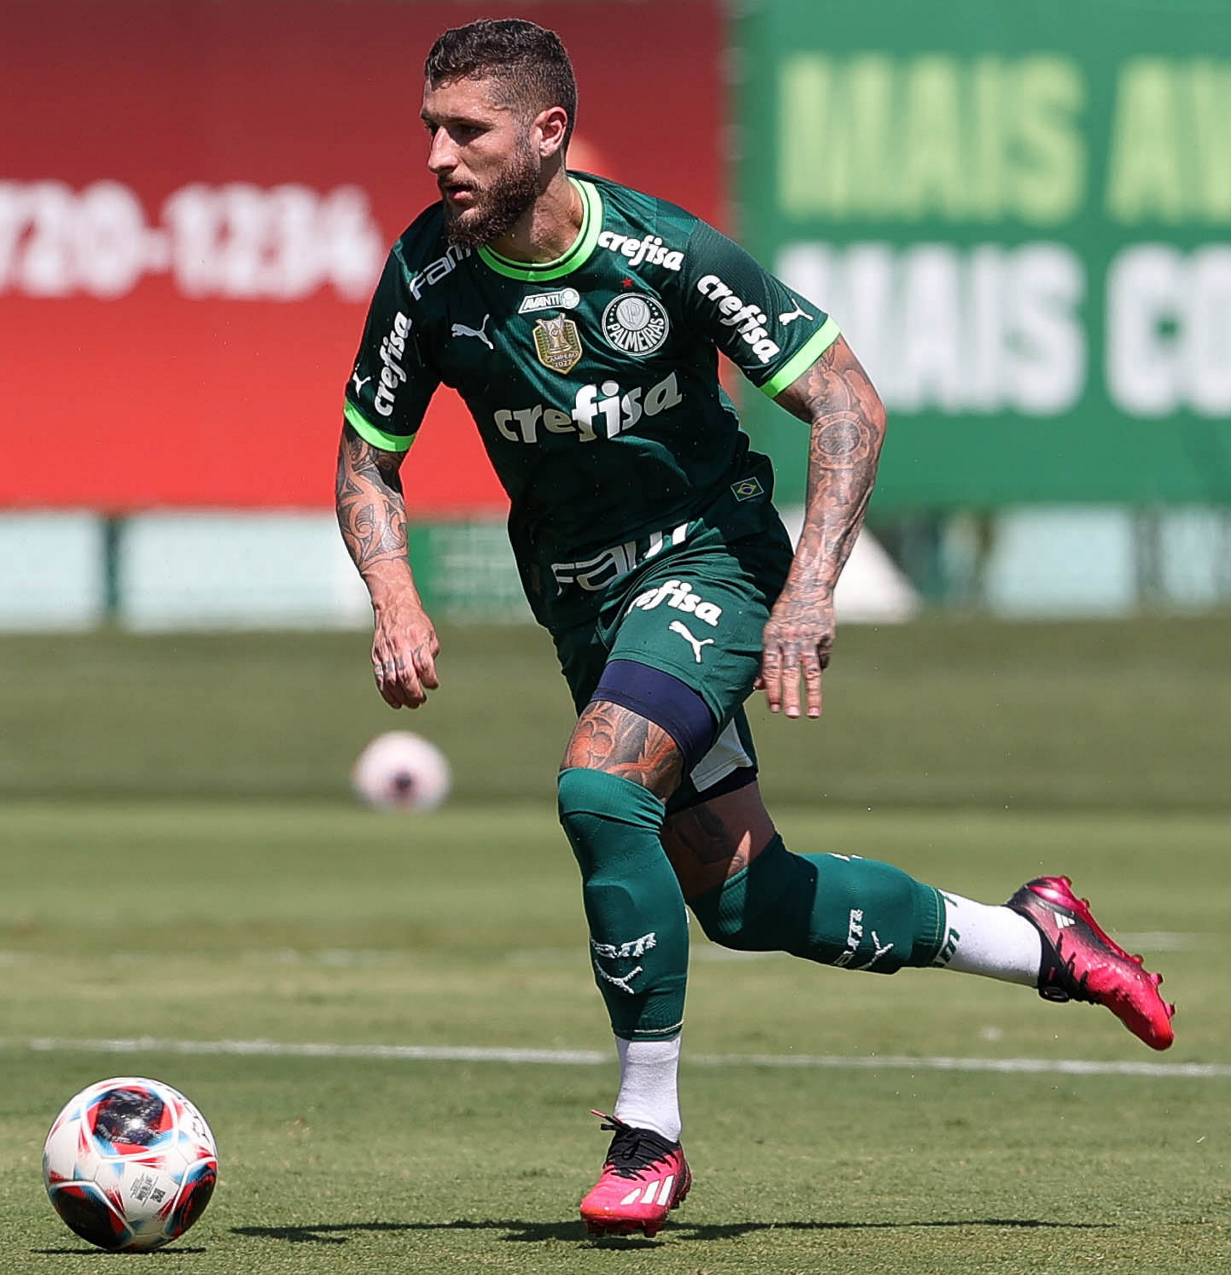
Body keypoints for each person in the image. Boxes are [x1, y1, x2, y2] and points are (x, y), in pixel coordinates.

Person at [335, 18, 1175, 1239]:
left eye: (466, 131)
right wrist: (395, 594)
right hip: (580, 599)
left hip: (711, 559)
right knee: (745, 902)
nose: (436, 157)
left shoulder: (665, 253)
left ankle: (646, 1137)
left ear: (547, 132)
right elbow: (368, 456)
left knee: (598, 791)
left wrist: (810, 589)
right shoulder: (425, 275)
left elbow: (845, 402)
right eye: (430, 130)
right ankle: (1037, 938)